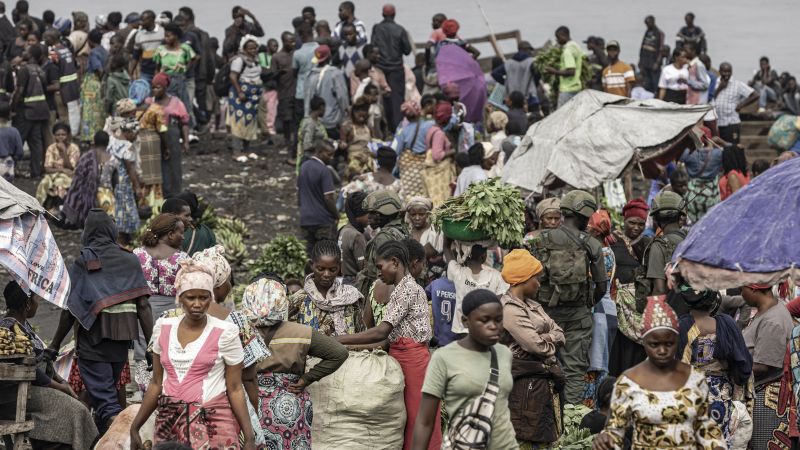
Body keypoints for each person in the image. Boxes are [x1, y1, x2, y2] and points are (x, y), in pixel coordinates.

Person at [47, 209, 153, 434]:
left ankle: (127, 437)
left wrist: (54, 345)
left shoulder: (84, 261)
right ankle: (102, 440)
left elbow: (70, 310)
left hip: (93, 341)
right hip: (122, 339)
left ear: (88, 232)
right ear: (111, 231)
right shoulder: (129, 259)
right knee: (106, 396)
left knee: (106, 402)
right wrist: (152, 346)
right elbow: (143, 306)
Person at [129, 261, 256, 449]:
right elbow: (156, 383)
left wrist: (249, 436)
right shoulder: (163, 328)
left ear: (211, 297)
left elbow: (235, 387)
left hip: (215, 424)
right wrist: (135, 427)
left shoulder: (226, 332)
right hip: (170, 423)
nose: (197, 304)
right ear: (180, 297)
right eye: (190, 297)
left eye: (204, 297)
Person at [339, 241, 442, 450]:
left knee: (417, 421)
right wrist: (351, 348)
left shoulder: (406, 290)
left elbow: (381, 331)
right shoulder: (401, 289)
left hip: (414, 364)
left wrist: (339, 339)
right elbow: (387, 340)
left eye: (380, 267)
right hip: (404, 359)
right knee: (405, 421)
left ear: (394, 263)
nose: (378, 273)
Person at [592, 297, 726, 450]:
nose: (662, 351)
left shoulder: (694, 379)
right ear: (644, 342)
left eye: (669, 343)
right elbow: (615, 430)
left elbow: (704, 425)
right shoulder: (628, 381)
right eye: (654, 344)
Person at [241, 275, 349, 450]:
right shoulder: (302, 332)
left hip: (248, 409)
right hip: (289, 408)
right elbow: (339, 353)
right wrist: (307, 378)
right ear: (282, 302)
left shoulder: (238, 331)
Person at [530, 190, 607, 404]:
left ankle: (545, 415)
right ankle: (571, 419)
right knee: (574, 370)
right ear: (584, 215)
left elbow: (531, 279)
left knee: (543, 365)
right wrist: (588, 303)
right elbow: (602, 285)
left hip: (545, 315)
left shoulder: (541, 240)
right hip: (578, 316)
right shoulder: (592, 244)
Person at [411, 289, 515, 450]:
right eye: (485, 320)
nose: (494, 326)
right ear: (466, 321)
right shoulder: (444, 358)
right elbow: (425, 421)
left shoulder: (504, 354)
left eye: (498, 320)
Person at [0, 281, 98, 449]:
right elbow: (30, 369)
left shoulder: (24, 326)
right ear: (27, 304)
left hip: (36, 389)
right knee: (76, 410)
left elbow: (43, 362)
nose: (38, 304)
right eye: (37, 300)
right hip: (19, 395)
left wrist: (61, 381)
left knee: (79, 402)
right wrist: (59, 387)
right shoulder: (7, 329)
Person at [499, 250, 565, 449]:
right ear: (524, 279)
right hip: (524, 382)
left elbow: (560, 332)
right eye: (536, 278)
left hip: (542, 380)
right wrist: (546, 338)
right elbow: (536, 346)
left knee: (545, 433)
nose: (539, 283)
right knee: (526, 433)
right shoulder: (509, 309)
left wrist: (544, 338)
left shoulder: (533, 305)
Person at [675, 283, 752, 447]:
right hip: (720, 396)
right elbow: (744, 366)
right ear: (713, 301)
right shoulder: (726, 324)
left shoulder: (682, 326)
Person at [132, 213, 189, 386]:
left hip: (142, 310)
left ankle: (145, 389)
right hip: (173, 311)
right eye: (181, 232)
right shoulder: (182, 259)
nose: (183, 236)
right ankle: (169, 388)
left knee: (143, 348)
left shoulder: (137, 254)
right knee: (170, 348)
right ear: (170, 234)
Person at [741, 283, 794, 450]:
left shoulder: (773, 321)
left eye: (742, 289)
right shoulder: (769, 309)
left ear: (754, 289)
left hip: (768, 401)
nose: (741, 294)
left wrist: (733, 366)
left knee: (763, 444)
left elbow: (764, 365)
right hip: (761, 394)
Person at [608, 198, 652, 376]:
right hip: (619, 307)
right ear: (624, 220)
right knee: (620, 349)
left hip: (640, 307)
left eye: (641, 224)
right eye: (632, 222)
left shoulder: (648, 244)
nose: (636, 227)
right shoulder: (612, 241)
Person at [289, 239, 366, 335]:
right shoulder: (299, 299)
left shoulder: (350, 296)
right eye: (320, 269)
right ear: (311, 265)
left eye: (332, 270)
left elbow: (361, 332)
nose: (326, 274)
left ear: (340, 267)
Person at [584, 210, 618, 407]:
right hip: (605, 312)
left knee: (595, 366)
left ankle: (593, 409)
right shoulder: (606, 250)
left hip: (600, 314)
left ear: (595, 232)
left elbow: (597, 287)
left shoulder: (601, 253)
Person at [637, 192, 687, 315]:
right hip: (697, 312)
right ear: (681, 217)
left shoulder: (658, 246)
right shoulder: (692, 240)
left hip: (672, 314)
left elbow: (659, 290)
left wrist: (652, 317)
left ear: (656, 219)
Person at [146, 73, 190, 198]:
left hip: (172, 134)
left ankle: (175, 194)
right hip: (154, 136)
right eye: (153, 87)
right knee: (157, 166)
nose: (155, 90)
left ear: (165, 88)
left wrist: (186, 141)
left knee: (174, 165)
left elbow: (184, 122)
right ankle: (161, 195)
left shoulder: (176, 103)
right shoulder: (149, 102)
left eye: (158, 87)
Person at [370, 4, 411, 131]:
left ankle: (384, 128)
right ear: (394, 15)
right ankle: (398, 129)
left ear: (383, 15)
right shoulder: (400, 30)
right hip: (396, 69)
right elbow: (407, 50)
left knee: (381, 99)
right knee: (397, 100)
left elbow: (372, 46)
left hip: (380, 69)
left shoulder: (377, 29)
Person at [12, 43, 49, 178]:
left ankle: (10, 170)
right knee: (36, 143)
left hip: (26, 112)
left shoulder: (24, 69)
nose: (23, 52)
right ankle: (36, 172)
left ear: (31, 55)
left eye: (26, 51)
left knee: (18, 140)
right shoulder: (40, 69)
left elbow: (20, 91)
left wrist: (12, 108)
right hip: (40, 111)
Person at [103, 119, 142, 244]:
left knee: (115, 208)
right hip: (122, 180)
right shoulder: (127, 146)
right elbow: (130, 168)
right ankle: (123, 239)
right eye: (135, 134)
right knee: (125, 208)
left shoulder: (110, 141)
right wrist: (137, 186)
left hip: (109, 179)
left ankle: (116, 236)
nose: (136, 137)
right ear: (130, 132)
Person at [61, 131, 110, 228]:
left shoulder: (86, 158)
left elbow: (77, 182)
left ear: (94, 143)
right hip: (107, 198)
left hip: (87, 201)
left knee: (77, 192)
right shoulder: (112, 158)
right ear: (108, 143)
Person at [153, 22, 196, 124]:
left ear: (176, 36)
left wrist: (185, 69)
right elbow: (157, 67)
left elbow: (193, 59)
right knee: (165, 106)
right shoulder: (160, 49)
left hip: (180, 79)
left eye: (169, 36)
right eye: (165, 36)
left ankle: (187, 130)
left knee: (184, 105)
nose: (166, 38)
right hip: (165, 81)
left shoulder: (185, 48)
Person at [305, 44, 349, 139]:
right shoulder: (335, 74)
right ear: (329, 56)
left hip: (315, 120)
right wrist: (346, 116)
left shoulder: (310, 75)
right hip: (332, 121)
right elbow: (342, 97)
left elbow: (307, 99)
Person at [228, 34, 263, 153]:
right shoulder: (239, 60)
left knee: (250, 122)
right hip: (241, 94)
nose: (253, 50)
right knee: (239, 122)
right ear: (244, 49)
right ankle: (236, 151)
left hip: (253, 96)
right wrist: (240, 92)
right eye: (250, 48)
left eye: (255, 48)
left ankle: (247, 150)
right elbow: (233, 76)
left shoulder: (256, 60)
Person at [680, 129, 722, 223]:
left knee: (694, 225)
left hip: (693, 193)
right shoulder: (717, 154)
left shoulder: (690, 154)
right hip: (712, 193)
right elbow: (733, 151)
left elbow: (681, 160)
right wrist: (719, 142)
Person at [35, 123, 79, 212]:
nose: (61, 137)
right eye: (58, 135)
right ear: (54, 136)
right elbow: (47, 168)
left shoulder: (74, 148)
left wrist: (64, 151)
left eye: (63, 135)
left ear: (68, 135)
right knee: (44, 182)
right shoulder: (51, 148)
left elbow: (70, 168)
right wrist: (62, 170)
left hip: (69, 176)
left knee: (60, 182)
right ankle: (38, 208)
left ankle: (61, 210)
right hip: (54, 174)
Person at [711, 62, 758, 146]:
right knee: (720, 148)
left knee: (733, 148)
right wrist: (719, 88)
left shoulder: (737, 84)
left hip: (731, 123)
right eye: (724, 71)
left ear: (731, 72)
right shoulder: (714, 83)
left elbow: (755, 95)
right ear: (720, 71)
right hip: (718, 124)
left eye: (728, 71)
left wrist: (741, 105)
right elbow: (710, 99)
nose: (726, 74)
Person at [80, 29, 108, 143]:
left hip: (93, 84)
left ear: (90, 41)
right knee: (100, 111)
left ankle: (90, 136)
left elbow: (99, 69)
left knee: (89, 111)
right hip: (100, 84)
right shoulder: (105, 51)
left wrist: (100, 80)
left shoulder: (93, 53)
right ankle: (99, 134)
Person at [547, 26, 583, 108]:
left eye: (558, 37)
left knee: (562, 117)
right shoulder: (576, 47)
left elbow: (571, 71)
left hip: (567, 89)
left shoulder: (567, 51)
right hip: (576, 87)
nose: (557, 40)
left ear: (563, 35)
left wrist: (554, 71)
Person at [340, 97, 375, 178]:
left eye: (364, 110)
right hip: (354, 162)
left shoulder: (368, 127)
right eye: (358, 110)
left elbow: (374, 143)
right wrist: (342, 144)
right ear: (353, 112)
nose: (362, 113)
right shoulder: (347, 127)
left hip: (368, 159)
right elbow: (342, 144)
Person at [339, 191, 369, 283]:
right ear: (358, 214)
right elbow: (364, 268)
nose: (370, 217)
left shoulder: (344, 230)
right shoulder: (356, 236)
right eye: (367, 213)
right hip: (355, 282)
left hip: (345, 280)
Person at [296, 95, 328, 171]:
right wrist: (321, 145)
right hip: (309, 159)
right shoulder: (310, 124)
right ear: (321, 107)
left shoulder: (317, 122)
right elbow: (307, 145)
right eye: (324, 108)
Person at [131, 10, 164, 83]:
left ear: (151, 19)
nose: (140, 23)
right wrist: (131, 73)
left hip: (161, 71)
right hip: (145, 72)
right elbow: (135, 56)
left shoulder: (162, 32)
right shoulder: (139, 35)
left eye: (143, 20)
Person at [639, 15, 664, 94]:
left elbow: (661, 49)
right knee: (647, 83)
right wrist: (640, 60)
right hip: (645, 62)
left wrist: (657, 62)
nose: (647, 25)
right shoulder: (647, 32)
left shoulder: (659, 33)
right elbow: (642, 47)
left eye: (648, 23)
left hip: (653, 63)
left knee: (655, 83)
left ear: (653, 22)